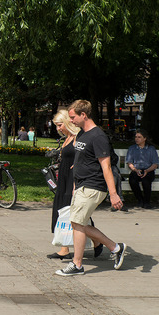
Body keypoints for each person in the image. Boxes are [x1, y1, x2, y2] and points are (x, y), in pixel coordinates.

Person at [56, 100, 126, 276]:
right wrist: (74, 185)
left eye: (73, 117)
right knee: (79, 223)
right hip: (81, 186)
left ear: (83, 115)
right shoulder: (82, 134)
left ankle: (77, 265)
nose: (70, 120)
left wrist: (113, 194)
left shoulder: (98, 137)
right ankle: (115, 247)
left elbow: (106, 167)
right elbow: (79, 161)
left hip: (93, 186)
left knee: (78, 224)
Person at [47, 111, 102, 260]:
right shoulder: (67, 138)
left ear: (67, 122)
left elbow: (85, 156)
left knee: (76, 215)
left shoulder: (79, 137)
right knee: (63, 212)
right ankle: (64, 248)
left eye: (59, 125)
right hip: (64, 179)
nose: (58, 129)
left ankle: (98, 240)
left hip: (73, 179)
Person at [126, 129, 159, 209]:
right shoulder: (132, 148)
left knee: (146, 181)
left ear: (145, 138)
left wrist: (147, 171)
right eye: (136, 137)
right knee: (132, 181)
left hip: (149, 170)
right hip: (136, 170)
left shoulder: (151, 149)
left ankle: (147, 202)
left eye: (139, 137)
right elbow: (129, 163)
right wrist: (135, 170)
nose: (136, 139)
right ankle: (140, 200)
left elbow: (155, 164)